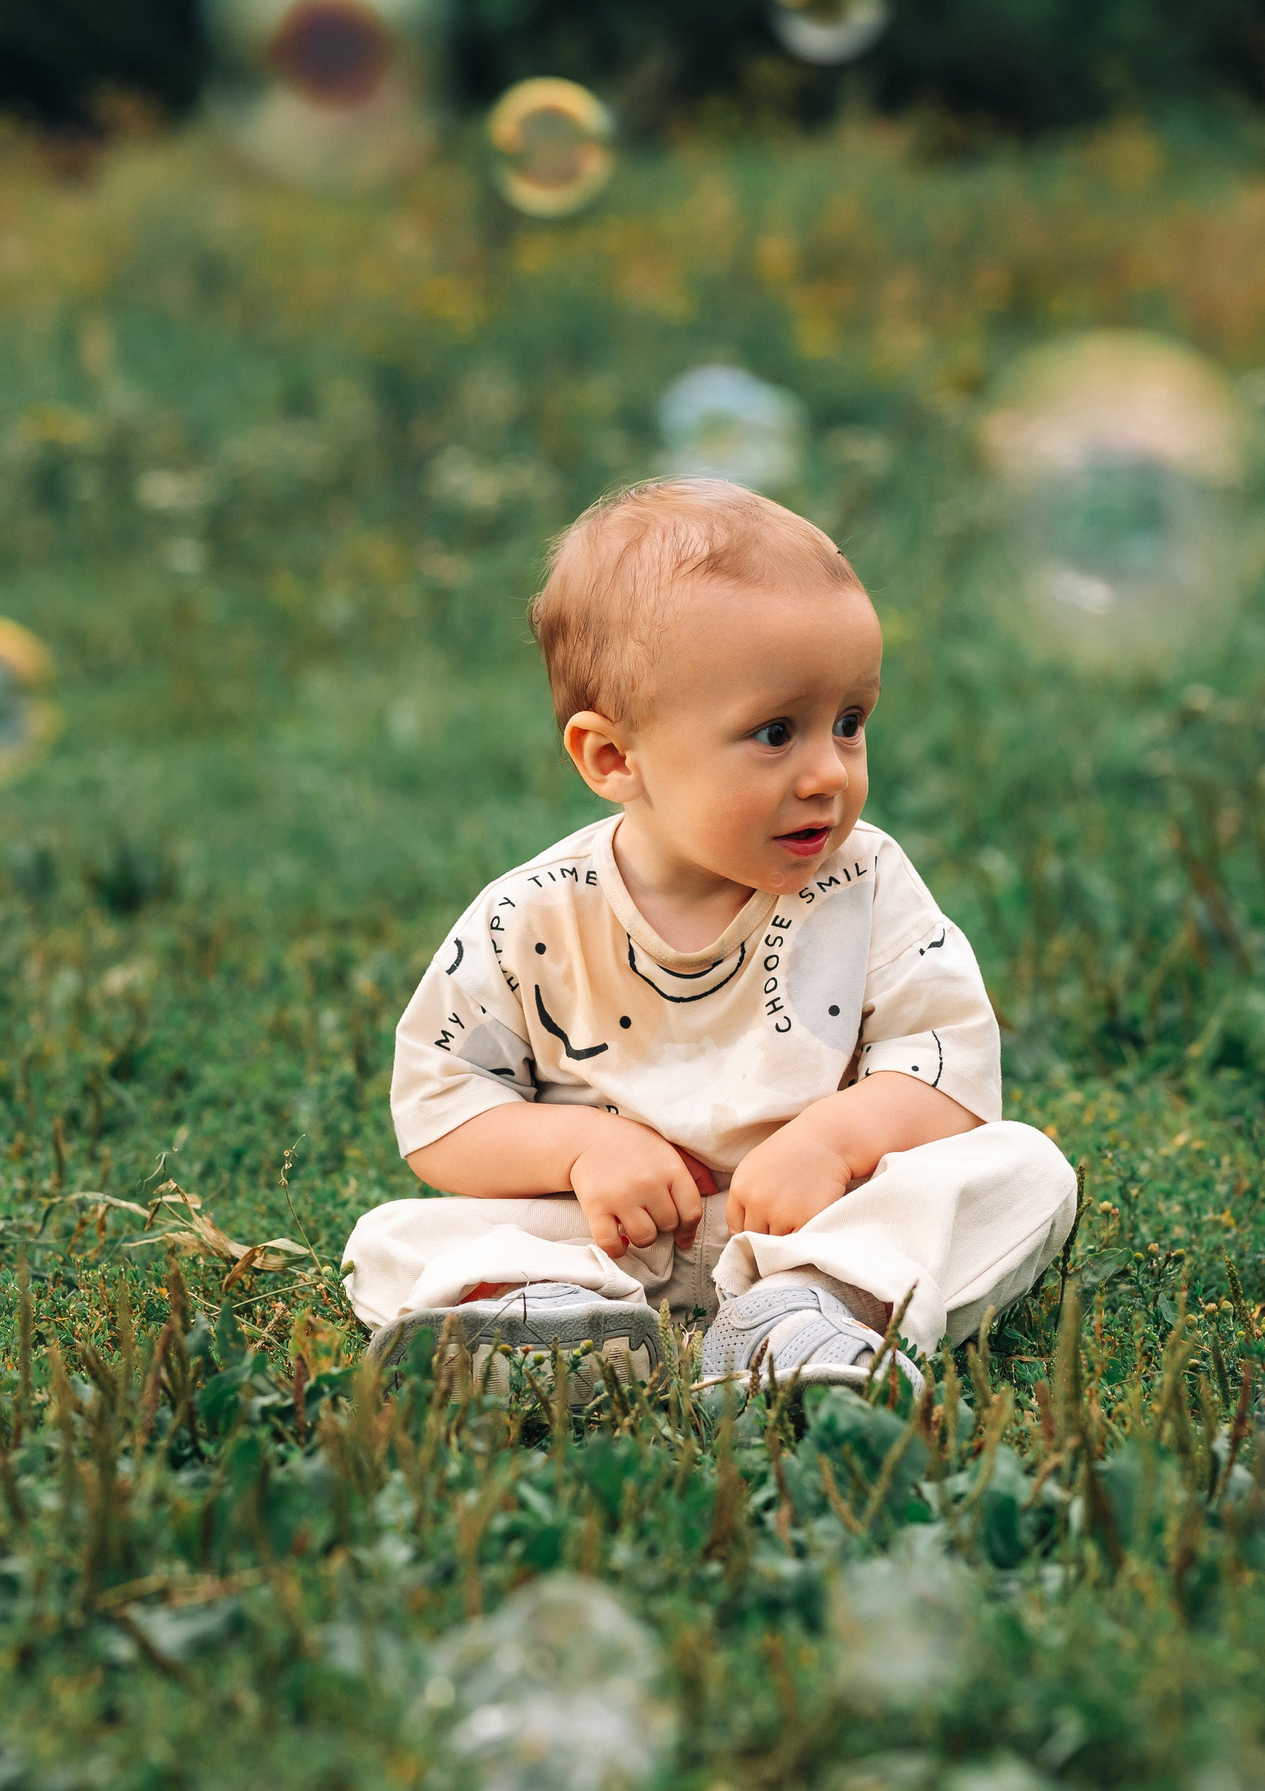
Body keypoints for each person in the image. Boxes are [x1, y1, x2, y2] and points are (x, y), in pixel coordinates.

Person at [341, 478, 1076, 1393]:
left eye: (849, 723)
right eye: (777, 732)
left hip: (816, 1225)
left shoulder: (866, 882)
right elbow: (443, 1108)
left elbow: (948, 1064)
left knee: (1025, 1169)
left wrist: (835, 1141)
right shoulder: (529, 916)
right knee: (389, 1237)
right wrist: (581, 1152)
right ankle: (549, 1316)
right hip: (606, 1239)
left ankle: (807, 1319)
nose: (827, 773)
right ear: (613, 757)